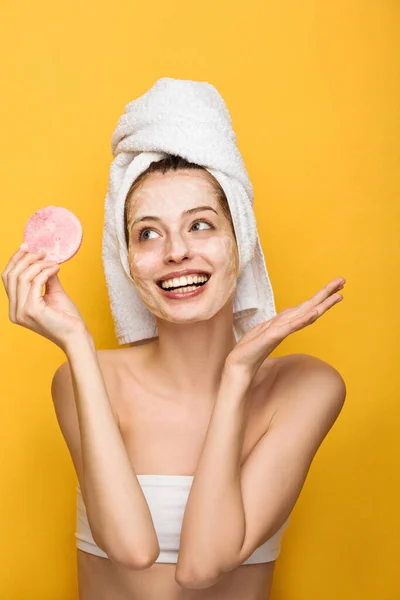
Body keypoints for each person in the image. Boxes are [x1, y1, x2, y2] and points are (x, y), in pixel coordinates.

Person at [2, 95, 346, 599]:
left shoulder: (307, 387)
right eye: (147, 234)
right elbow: (131, 549)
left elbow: (202, 565)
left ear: (241, 238)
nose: (176, 251)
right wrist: (75, 343)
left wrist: (236, 376)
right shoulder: (87, 380)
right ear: (126, 260)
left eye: (200, 224)